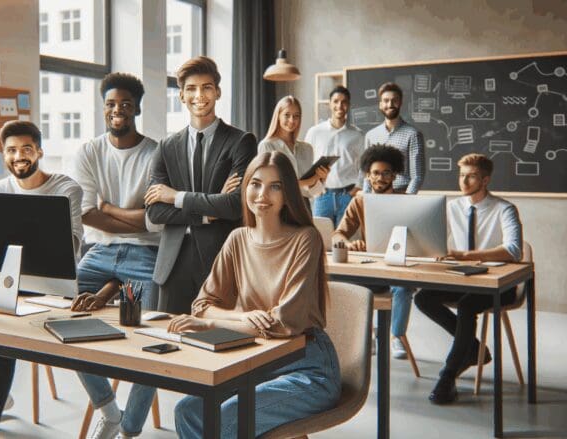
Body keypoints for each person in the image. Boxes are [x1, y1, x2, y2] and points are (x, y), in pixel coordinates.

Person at [170, 151, 341, 438]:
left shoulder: (306, 239)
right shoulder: (238, 239)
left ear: (288, 193)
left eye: (275, 186)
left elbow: (283, 323)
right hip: (256, 362)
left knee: (222, 423)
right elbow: (201, 305)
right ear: (245, 186)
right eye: (256, 183)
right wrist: (240, 316)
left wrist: (213, 323)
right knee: (188, 411)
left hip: (308, 367)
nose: (263, 194)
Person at [0, 120, 83, 438]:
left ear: (39, 152)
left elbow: (72, 248)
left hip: (52, 289)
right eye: (11, 150)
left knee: (3, 337)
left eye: (26, 149)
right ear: (3, 154)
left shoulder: (66, 188)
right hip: (6, 284)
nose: (18, 156)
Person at [68, 72, 162, 439]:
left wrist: (112, 209)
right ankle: (108, 409)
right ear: (103, 108)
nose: (117, 110)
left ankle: (130, 427)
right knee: (61, 313)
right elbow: (86, 212)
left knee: (152, 335)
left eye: (125, 103)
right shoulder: (89, 152)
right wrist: (133, 217)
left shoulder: (156, 153)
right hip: (99, 252)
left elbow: (155, 222)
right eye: (110, 104)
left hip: (146, 255)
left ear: (137, 107)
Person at [145, 55, 257, 315]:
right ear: (181, 95)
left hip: (221, 258)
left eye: (206, 87)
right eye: (191, 89)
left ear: (217, 92)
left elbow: (235, 205)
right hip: (174, 261)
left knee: (218, 342)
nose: (200, 95)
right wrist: (208, 211)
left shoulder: (242, 142)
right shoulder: (166, 147)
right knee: (170, 343)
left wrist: (175, 196)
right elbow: (154, 211)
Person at [414, 153, 523, 404]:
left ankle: (448, 374)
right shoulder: (452, 207)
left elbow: (514, 250)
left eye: (471, 176)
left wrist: (466, 255)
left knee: (466, 305)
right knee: (423, 299)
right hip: (462, 280)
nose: (463, 181)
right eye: (461, 175)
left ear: (485, 180)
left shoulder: (504, 209)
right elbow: (434, 240)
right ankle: (473, 348)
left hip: (499, 284)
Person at [332, 144, 416, 359]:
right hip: (370, 269)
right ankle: (365, 335)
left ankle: (397, 336)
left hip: (397, 268)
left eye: (386, 173)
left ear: (394, 175)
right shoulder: (359, 201)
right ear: (368, 176)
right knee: (343, 284)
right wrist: (349, 244)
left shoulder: (407, 202)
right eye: (376, 173)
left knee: (404, 288)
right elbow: (338, 234)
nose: (380, 178)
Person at [304, 85, 364, 226]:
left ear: (348, 105)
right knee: (321, 240)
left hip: (348, 197)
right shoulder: (315, 132)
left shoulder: (358, 135)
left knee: (345, 242)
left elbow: (365, 166)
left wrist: (356, 190)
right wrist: (313, 190)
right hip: (322, 196)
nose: (340, 105)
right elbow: (305, 162)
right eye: (336, 101)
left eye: (344, 102)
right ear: (330, 104)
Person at [258, 95, 328, 202]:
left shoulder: (307, 149)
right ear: (278, 116)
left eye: (296, 116)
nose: (292, 120)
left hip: (303, 207)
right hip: (279, 205)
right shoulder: (267, 146)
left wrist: (321, 178)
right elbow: (271, 183)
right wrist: (310, 180)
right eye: (287, 115)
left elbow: (312, 193)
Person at [362, 82, 425, 194]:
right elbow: (366, 172)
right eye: (386, 101)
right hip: (376, 195)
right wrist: (366, 197)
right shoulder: (370, 135)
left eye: (394, 100)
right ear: (380, 104)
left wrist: (406, 199)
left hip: (401, 193)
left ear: (400, 103)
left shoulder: (413, 134)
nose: (390, 104)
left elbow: (417, 176)